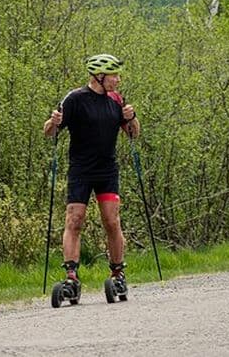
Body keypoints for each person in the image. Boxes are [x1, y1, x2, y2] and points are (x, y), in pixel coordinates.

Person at [43, 53, 141, 298]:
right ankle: (71, 278)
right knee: (74, 220)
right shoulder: (75, 99)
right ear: (99, 76)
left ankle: (118, 273)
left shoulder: (117, 101)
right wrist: (53, 122)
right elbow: (49, 132)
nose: (117, 80)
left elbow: (133, 134)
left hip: (107, 170)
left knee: (111, 221)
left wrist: (132, 118)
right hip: (81, 171)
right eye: (114, 75)